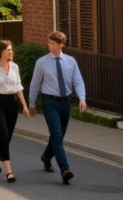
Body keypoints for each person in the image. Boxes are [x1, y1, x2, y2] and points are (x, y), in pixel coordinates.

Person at [29, 30, 87, 185]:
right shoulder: (41, 62)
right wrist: (32, 103)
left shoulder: (70, 61)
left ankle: (46, 156)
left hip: (65, 102)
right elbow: (35, 84)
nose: (49, 45)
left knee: (58, 136)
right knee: (56, 135)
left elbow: (78, 81)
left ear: (61, 45)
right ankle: (64, 169)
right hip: (49, 101)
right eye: (48, 42)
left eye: (53, 43)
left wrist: (82, 98)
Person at [0, 40, 31, 183]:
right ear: (1, 51)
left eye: (11, 49)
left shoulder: (15, 67)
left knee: (7, 137)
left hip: (12, 104)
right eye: (8, 49)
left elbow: (18, 87)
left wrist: (24, 106)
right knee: (3, 134)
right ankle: (9, 171)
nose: (11, 51)